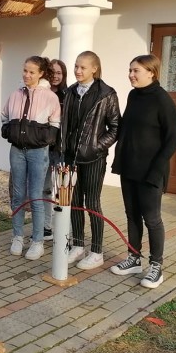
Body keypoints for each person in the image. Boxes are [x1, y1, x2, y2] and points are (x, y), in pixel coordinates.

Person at [110, 54, 176, 289]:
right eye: (130, 70)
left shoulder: (162, 99)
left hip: (151, 172)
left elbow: (175, 136)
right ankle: (133, 258)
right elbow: (127, 129)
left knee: (152, 219)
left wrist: (158, 167)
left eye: (136, 71)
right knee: (132, 215)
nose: (131, 75)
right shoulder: (134, 96)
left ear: (151, 72)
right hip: (129, 167)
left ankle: (156, 266)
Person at [60, 51, 120, 270]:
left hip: (94, 159)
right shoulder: (70, 92)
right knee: (75, 202)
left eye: (83, 67)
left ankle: (96, 252)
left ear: (94, 68)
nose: (78, 71)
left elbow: (115, 128)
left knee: (92, 203)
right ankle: (78, 246)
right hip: (71, 158)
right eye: (76, 66)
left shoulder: (106, 94)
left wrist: (96, 147)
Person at [1, 56, 61, 260]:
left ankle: (37, 241)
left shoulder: (50, 97)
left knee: (36, 196)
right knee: (18, 195)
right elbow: (5, 116)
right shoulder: (15, 94)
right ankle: (17, 236)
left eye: (32, 72)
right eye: (25, 70)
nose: (27, 75)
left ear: (41, 73)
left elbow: (55, 123)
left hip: (38, 152)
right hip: (17, 150)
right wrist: (8, 131)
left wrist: (44, 138)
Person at [42, 58, 68, 241]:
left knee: (60, 190)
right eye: (52, 73)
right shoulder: (41, 93)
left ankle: (62, 227)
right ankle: (46, 226)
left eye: (59, 73)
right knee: (45, 189)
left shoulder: (68, 95)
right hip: (43, 147)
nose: (55, 76)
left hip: (60, 149)